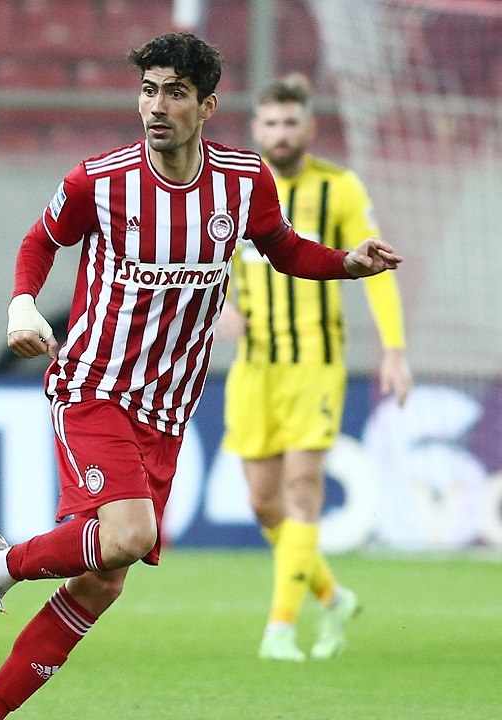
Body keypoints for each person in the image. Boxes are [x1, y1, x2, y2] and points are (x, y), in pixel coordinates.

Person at [0, 33, 402, 720]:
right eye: (149, 90)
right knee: (128, 536)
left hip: (167, 409)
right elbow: (41, 240)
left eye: (176, 93)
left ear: (207, 106)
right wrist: (22, 305)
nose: (157, 106)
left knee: (102, 584)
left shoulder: (243, 182)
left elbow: (281, 247)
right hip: (94, 386)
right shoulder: (99, 181)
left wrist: (346, 264)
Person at [217, 73, 412, 661]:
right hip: (254, 366)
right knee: (263, 503)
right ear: (256, 128)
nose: (280, 133)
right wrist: (220, 305)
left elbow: (376, 268)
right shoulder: (236, 187)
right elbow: (202, 256)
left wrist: (394, 348)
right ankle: (333, 598)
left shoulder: (339, 188)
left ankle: (279, 628)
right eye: (271, 123)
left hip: (315, 364)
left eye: (290, 123)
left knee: (303, 488)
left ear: (309, 128)